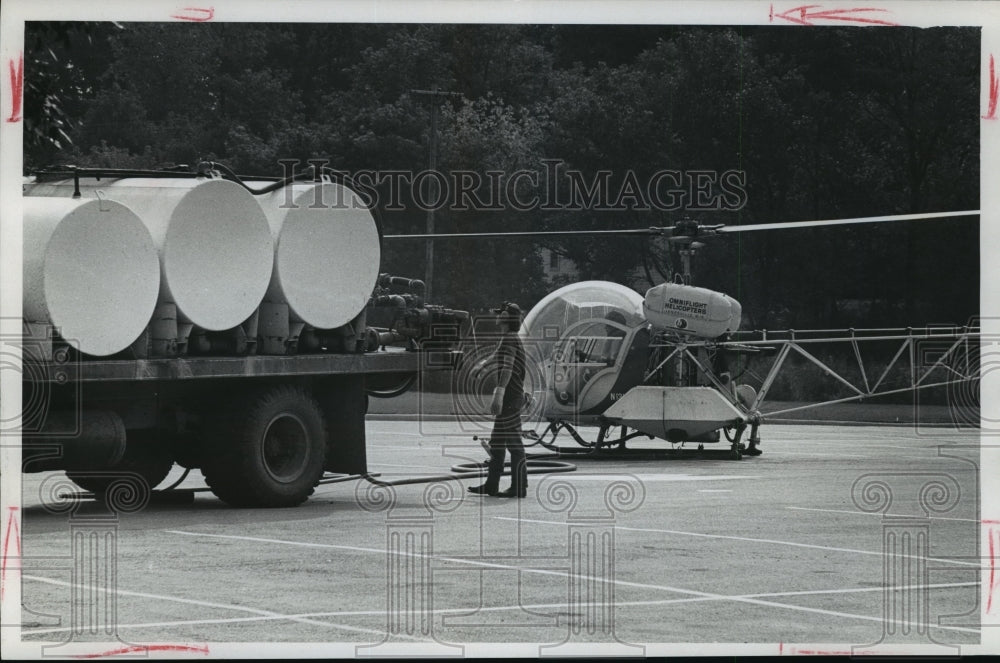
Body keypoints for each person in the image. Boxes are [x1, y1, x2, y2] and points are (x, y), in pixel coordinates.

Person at [468, 301, 528, 498]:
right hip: (512, 398)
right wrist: (482, 365)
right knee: (497, 442)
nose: (496, 316)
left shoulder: (510, 339)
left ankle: (519, 487)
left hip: (510, 398)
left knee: (513, 444)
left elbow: (508, 366)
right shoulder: (509, 337)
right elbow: (497, 354)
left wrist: (499, 393)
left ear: (505, 318)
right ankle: (491, 485)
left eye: (499, 313)